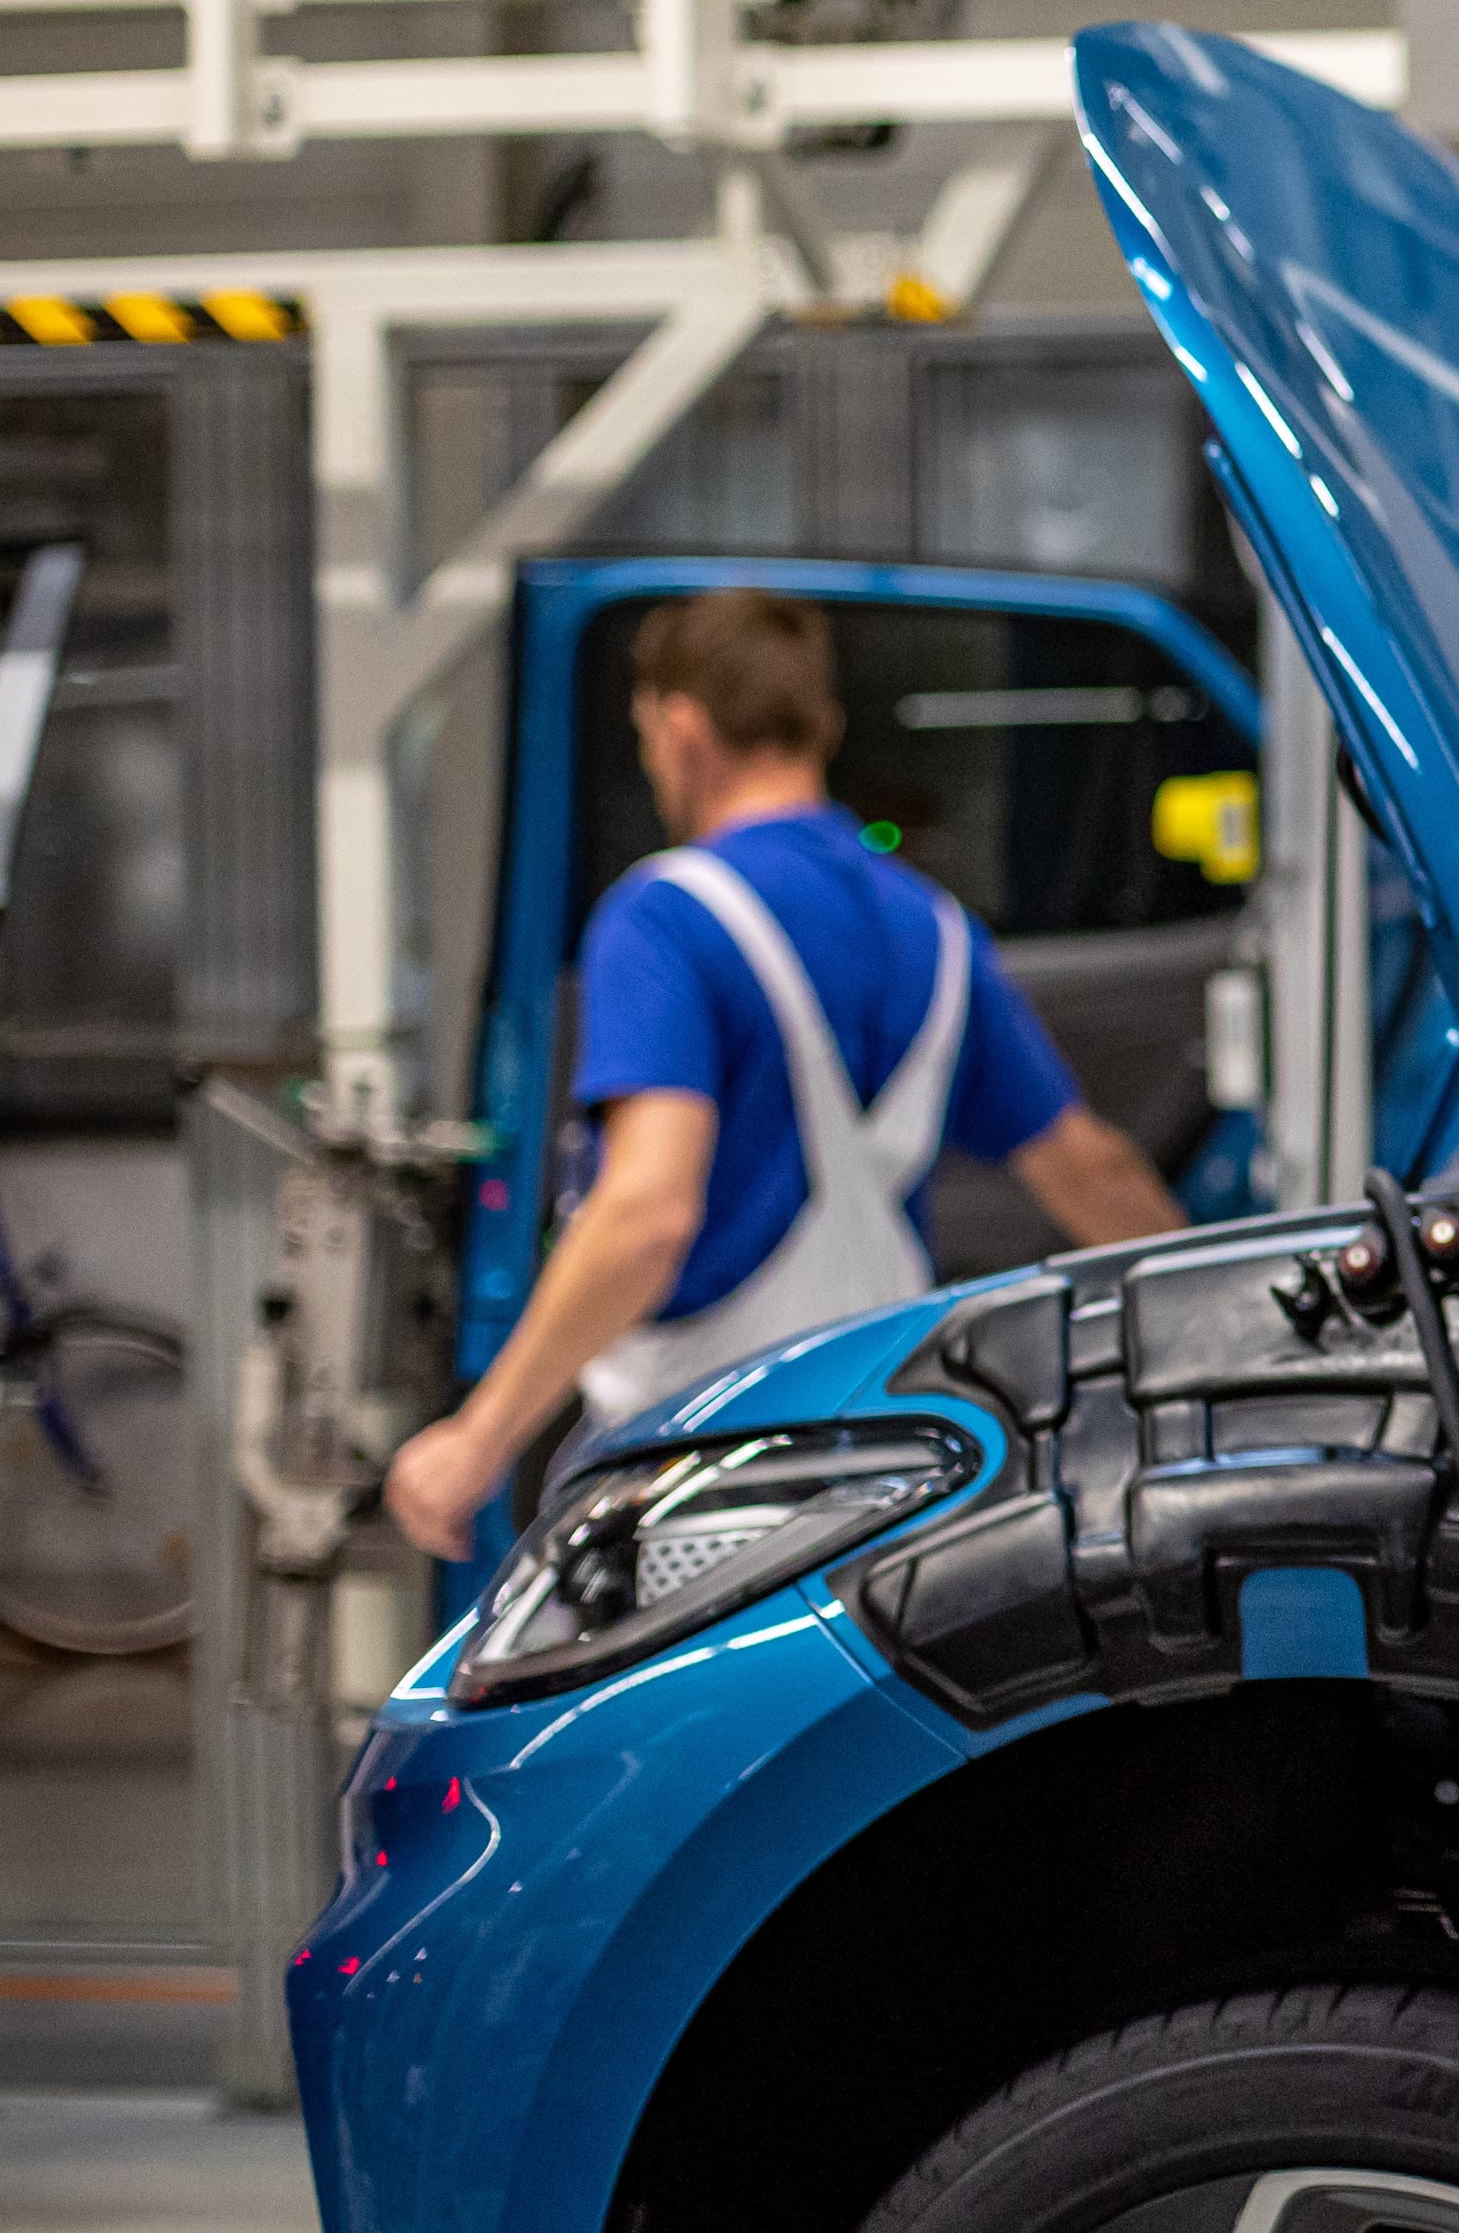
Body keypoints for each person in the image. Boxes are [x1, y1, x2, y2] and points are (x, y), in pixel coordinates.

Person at [380, 587, 1191, 1554]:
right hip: (887, 1480)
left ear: (681, 728)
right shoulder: (933, 929)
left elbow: (646, 1212)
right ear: (825, 726)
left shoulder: (665, 918)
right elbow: (1091, 1173)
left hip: (694, 1478)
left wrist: (479, 1437)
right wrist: (1232, 1336)